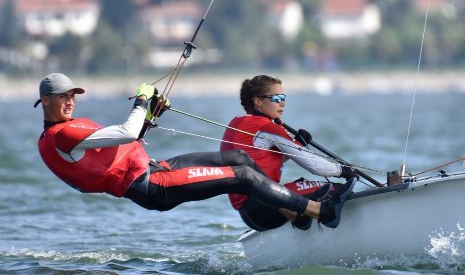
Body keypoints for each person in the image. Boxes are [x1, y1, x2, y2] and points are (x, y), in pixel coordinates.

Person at [35, 72, 354, 229]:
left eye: (72, 95)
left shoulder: (68, 132)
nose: (69, 101)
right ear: (45, 101)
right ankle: (320, 212)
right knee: (242, 176)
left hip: (155, 168)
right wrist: (142, 101)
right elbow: (126, 131)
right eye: (62, 97)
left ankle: (286, 209)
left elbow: (128, 140)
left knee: (237, 159)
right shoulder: (61, 136)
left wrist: (151, 115)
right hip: (152, 186)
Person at [221, 74, 357, 231]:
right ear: (258, 101)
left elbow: (264, 159)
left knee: (314, 190)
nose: (283, 103)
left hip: (249, 214)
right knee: (337, 190)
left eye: (284, 97)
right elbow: (313, 165)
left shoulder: (237, 123)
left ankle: (301, 219)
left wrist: (298, 143)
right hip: (267, 205)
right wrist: (343, 170)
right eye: (277, 98)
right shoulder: (266, 127)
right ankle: (312, 217)